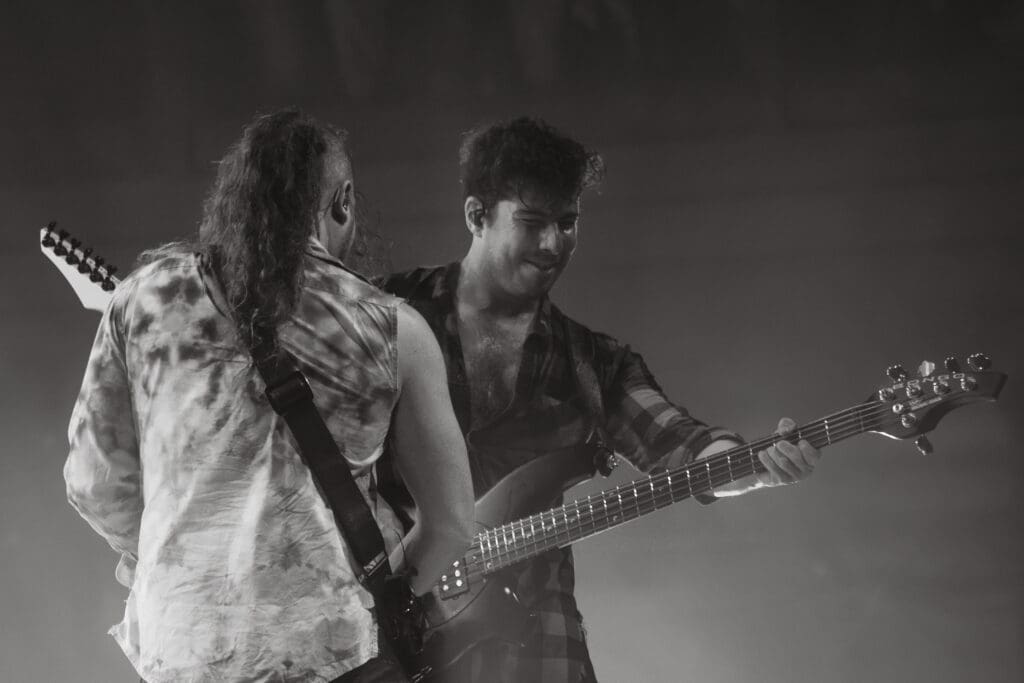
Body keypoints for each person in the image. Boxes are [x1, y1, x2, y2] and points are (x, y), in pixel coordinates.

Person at [379, 117, 821, 682]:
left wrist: (757, 466)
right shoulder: (387, 314)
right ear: (476, 216)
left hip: (537, 647)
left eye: (567, 223)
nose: (552, 245)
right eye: (532, 223)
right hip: (388, 632)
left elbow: (680, 444)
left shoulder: (593, 363)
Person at [63, 109, 475, 683]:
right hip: (331, 654)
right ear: (342, 202)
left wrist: (173, 556)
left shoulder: (143, 298)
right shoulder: (392, 329)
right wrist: (388, 598)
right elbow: (452, 524)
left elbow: (93, 482)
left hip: (182, 651)